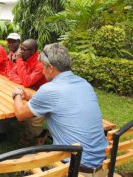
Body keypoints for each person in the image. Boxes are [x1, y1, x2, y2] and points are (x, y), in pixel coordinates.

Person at [12, 43, 107, 177]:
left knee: (23, 162)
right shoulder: (84, 84)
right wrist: (29, 95)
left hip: (74, 168)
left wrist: (16, 94)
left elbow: (20, 114)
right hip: (100, 165)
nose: (42, 71)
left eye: (43, 67)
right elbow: (59, 100)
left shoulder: (50, 89)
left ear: (50, 68)